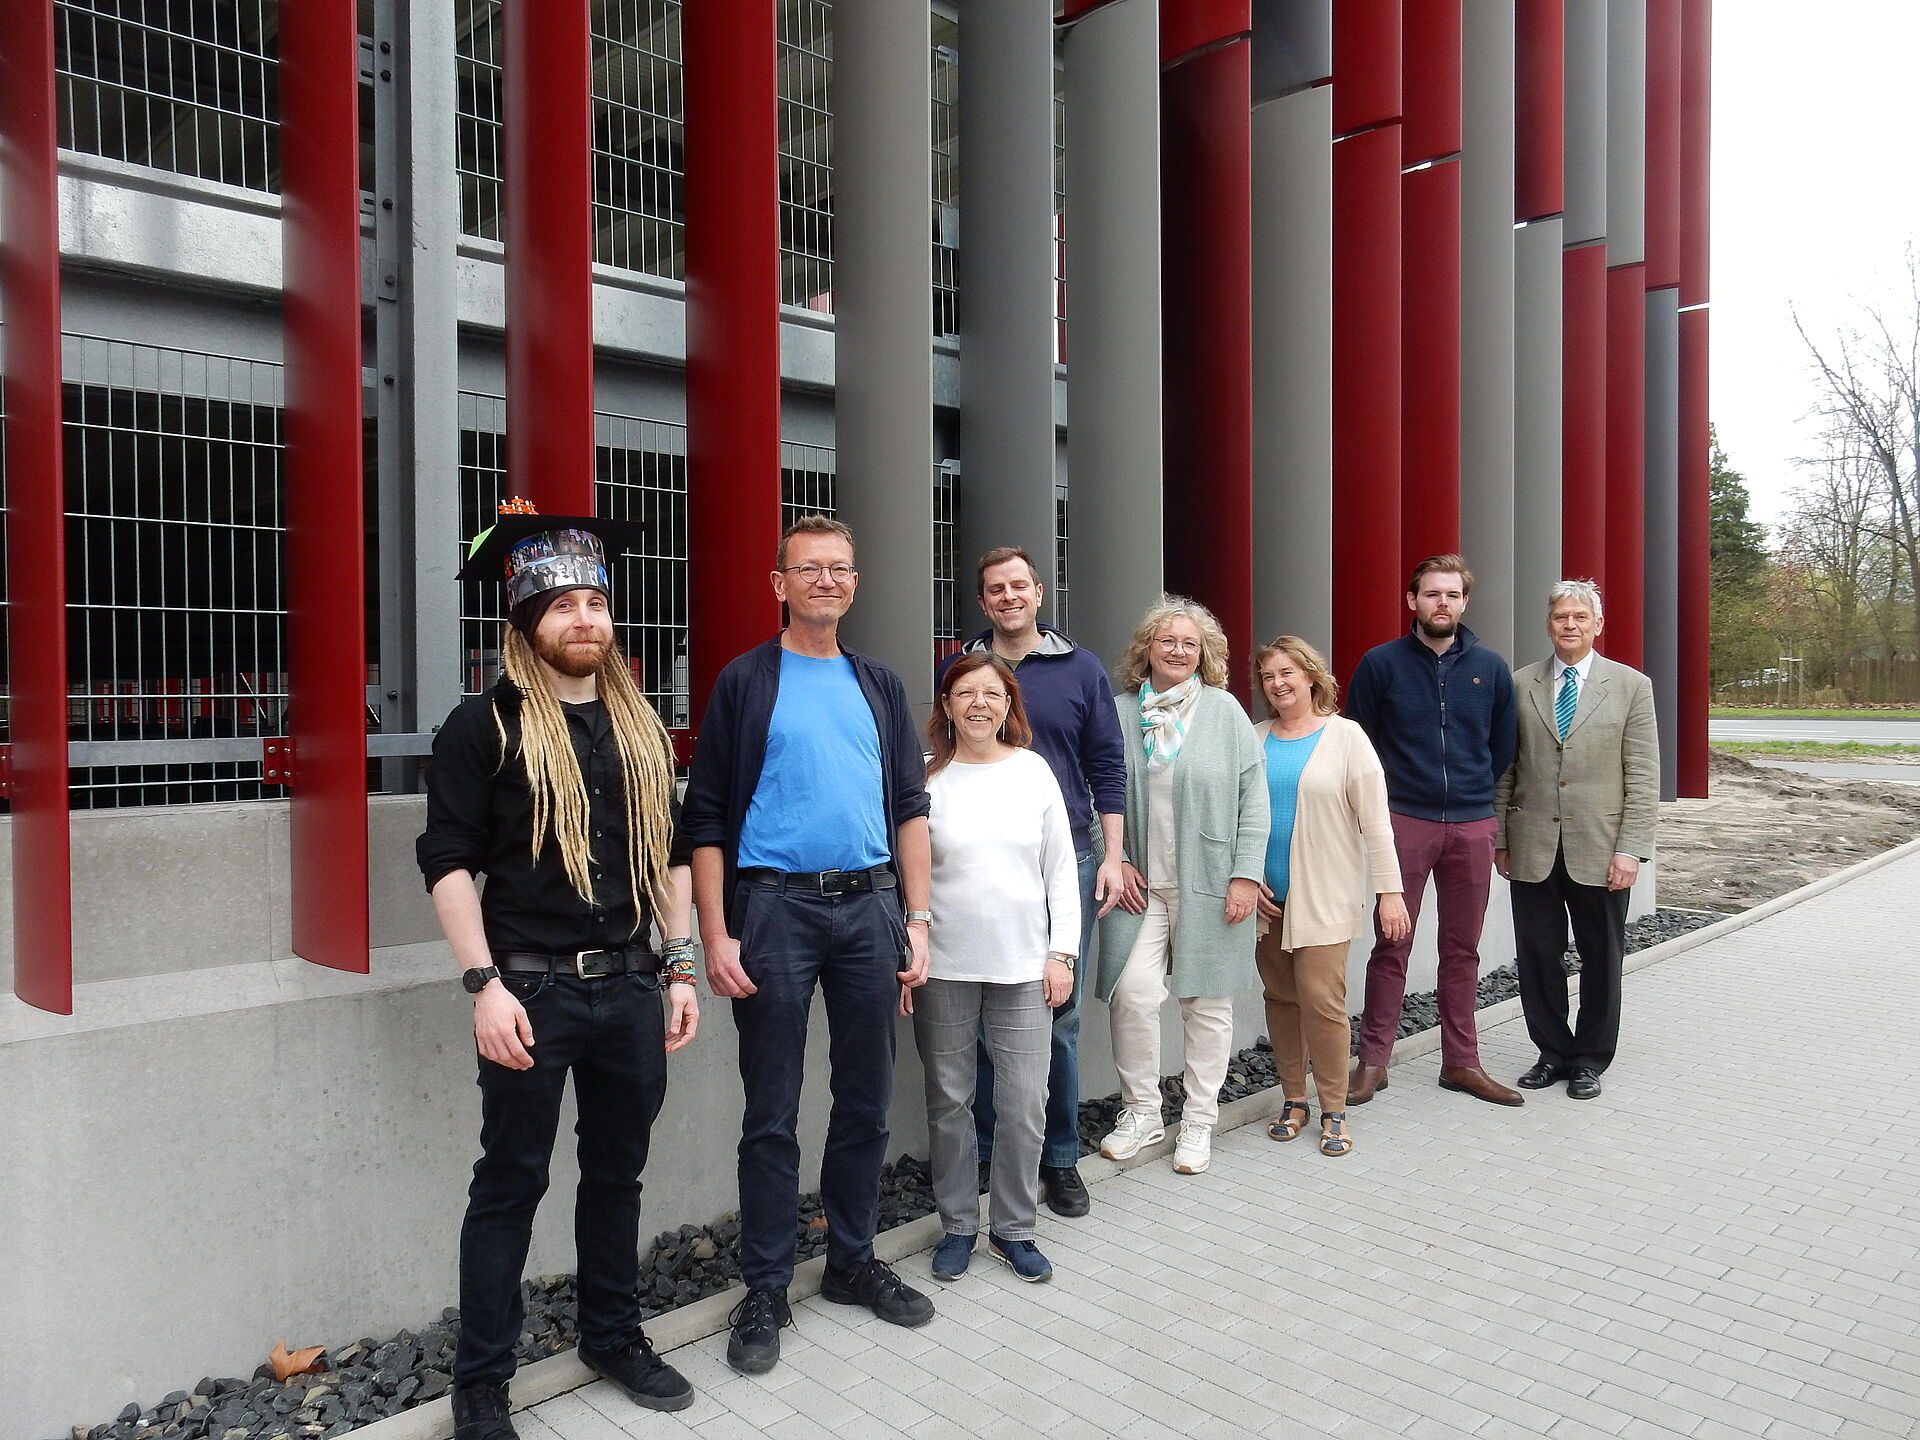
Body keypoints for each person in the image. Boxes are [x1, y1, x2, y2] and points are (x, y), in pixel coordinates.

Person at [417, 502, 700, 1440]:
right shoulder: (483, 726)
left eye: (596, 602)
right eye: (563, 605)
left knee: (617, 1174)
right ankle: (482, 1383)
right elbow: (447, 862)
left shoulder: (639, 727)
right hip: (529, 992)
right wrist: (482, 985)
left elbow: (668, 856)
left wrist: (680, 968)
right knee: (510, 1183)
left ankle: (611, 1336)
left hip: (630, 984)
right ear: (526, 622)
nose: (585, 618)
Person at [678, 515, 935, 1376]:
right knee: (772, 1109)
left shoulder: (880, 684)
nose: (827, 579)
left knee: (867, 1098)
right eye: (809, 567)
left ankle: (852, 1263)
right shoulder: (747, 681)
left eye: (840, 568)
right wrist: (716, 933)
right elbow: (705, 816)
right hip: (773, 911)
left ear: (855, 583)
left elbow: (910, 808)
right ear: (779, 583)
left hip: (869, 909)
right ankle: (765, 1287)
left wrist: (918, 919)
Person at [942, 545, 1126, 1219]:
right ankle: (996, 1151)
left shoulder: (1081, 669)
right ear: (983, 601)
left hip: (1065, 857)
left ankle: (1059, 1157)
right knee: (986, 1019)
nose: (1009, 597)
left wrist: (1113, 855)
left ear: (1039, 593)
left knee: (1059, 1015)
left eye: (1019, 585)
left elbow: (1107, 765)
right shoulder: (963, 667)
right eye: (996, 589)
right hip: (980, 866)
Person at [916, 654, 1080, 1283]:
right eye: (965, 693)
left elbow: (1060, 869)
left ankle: (1014, 1228)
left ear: (1009, 704)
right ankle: (958, 1225)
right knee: (949, 1101)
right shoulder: (927, 780)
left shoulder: (1033, 772)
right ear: (947, 705)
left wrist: (1062, 953)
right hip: (945, 966)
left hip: (1024, 966)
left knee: (1024, 1103)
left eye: (992, 693)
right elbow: (908, 875)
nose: (979, 704)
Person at [1096, 596, 1269, 1176]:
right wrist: (1115, 859)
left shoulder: (1224, 712)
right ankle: (1142, 1112)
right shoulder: (1120, 712)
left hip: (1212, 881)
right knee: (1133, 994)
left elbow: (1254, 798)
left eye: (1189, 643)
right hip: (1139, 885)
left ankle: (1198, 1119)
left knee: (1207, 1004)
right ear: (1147, 648)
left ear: (1204, 654)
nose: (1177, 651)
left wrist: (1245, 875)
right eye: (1166, 640)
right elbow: (1097, 790)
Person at [1345, 555, 1522, 1108]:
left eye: (1451, 594)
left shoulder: (1490, 668)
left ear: (1464, 602)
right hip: (1405, 822)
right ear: (1412, 600)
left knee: (1462, 949)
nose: (1442, 603)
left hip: (1472, 824)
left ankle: (1461, 1062)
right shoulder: (1381, 664)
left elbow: (1504, 745)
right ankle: (1373, 1061)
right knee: (1391, 944)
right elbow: (1359, 742)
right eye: (1431, 594)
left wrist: (1472, 791)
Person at [1495, 580, 1659, 1100]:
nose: (1570, 625)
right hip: (1532, 846)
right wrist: (1500, 837)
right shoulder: (1519, 684)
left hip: (1601, 847)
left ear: (1598, 625)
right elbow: (1506, 767)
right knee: (1538, 956)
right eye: (1561, 617)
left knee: (1601, 957)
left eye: (1580, 617)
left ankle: (1590, 1058)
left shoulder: (1631, 686)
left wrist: (1630, 848)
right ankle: (1551, 1051)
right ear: (1549, 624)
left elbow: (1643, 775)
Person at [1250, 636, 1410, 1158]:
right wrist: (1245, 879)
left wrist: (1390, 893)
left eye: (1287, 673)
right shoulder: (1254, 738)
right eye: (1269, 676)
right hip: (1266, 900)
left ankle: (1333, 1109)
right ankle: (1293, 1099)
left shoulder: (1347, 737)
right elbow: (1236, 818)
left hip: (1325, 896)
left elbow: (1377, 823)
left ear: (1311, 676)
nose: (1278, 684)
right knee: (1281, 998)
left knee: (1322, 1002)